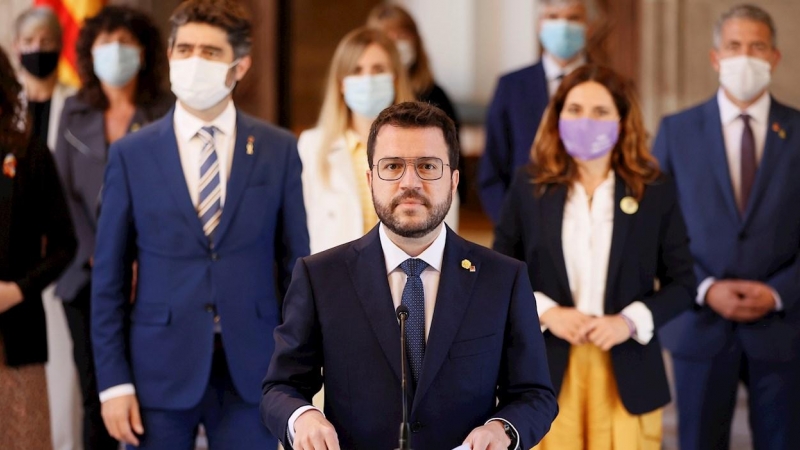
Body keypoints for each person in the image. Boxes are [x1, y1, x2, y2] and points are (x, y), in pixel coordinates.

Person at [262, 101, 557, 450]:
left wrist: (502, 429)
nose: (410, 182)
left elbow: (534, 394)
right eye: (393, 166)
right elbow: (280, 387)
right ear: (371, 179)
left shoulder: (503, 279)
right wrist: (303, 417)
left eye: (428, 166)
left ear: (454, 180)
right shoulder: (321, 276)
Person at [91, 0, 309, 448]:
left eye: (210, 52)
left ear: (240, 65)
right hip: (156, 374)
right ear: (169, 56)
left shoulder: (278, 149)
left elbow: (296, 272)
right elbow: (108, 280)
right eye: (184, 49)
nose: (194, 61)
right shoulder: (132, 155)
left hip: (255, 374)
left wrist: (297, 377)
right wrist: (113, 384)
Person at [493, 65, 695, 449]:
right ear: (557, 117)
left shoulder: (654, 190)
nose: (586, 120)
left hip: (626, 365)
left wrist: (630, 321)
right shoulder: (529, 185)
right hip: (546, 364)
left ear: (622, 120)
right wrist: (548, 312)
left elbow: (684, 282)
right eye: (575, 109)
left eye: (601, 111)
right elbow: (499, 273)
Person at [653, 4, 800, 449]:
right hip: (698, 324)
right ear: (716, 57)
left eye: (756, 46)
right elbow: (656, 231)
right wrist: (705, 286)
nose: (745, 56)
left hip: (785, 329)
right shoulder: (676, 131)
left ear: (774, 56)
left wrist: (779, 291)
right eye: (734, 46)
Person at [52, 6, 173, 449]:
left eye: (125, 43)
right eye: (105, 45)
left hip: (152, 275)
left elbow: (171, 194)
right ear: (88, 55)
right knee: (95, 393)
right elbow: (63, 196)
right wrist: (102, 256)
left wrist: (139, 258)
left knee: (147, 393)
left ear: (144, 52)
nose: (115, 54)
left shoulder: (166, 110)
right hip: (84, 277)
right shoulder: (73, 111)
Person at [298, 27, 457, 254]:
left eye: (378, 69)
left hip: (408, 275)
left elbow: (445, 215)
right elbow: (298, 231)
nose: (368, 80)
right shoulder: (312, 147)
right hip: (335, 280)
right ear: (342, 82)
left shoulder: (430, 141)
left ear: (394, 78)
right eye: (357, 70)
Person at [13, 7, 83, 450]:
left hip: (67, 256)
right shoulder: (7, 106)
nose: (38, 51)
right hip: (17, 267)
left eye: (46, 41)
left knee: (67, 376)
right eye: (29, 42)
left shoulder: (78, 107)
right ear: (15, 48)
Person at [479, 0, 589, 223]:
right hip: (526, 225)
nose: (564, 26)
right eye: (553, 17)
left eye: (573, 17)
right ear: (539, 24)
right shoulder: (511, 86)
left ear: (589, 25)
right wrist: (509, 224)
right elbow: (492, 169)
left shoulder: (610, 86)